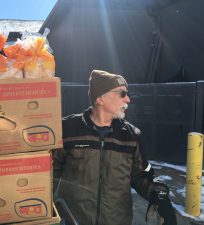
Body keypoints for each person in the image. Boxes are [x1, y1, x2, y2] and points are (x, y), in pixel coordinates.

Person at [53, 70, 177, 225]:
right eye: (122, 93)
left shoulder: (131, 136)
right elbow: (50, 173)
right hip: (74, 221)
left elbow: (142, 174)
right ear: (100, 98)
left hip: (118, 220)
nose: (128, 99)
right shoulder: (67, 130)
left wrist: (159, 195)